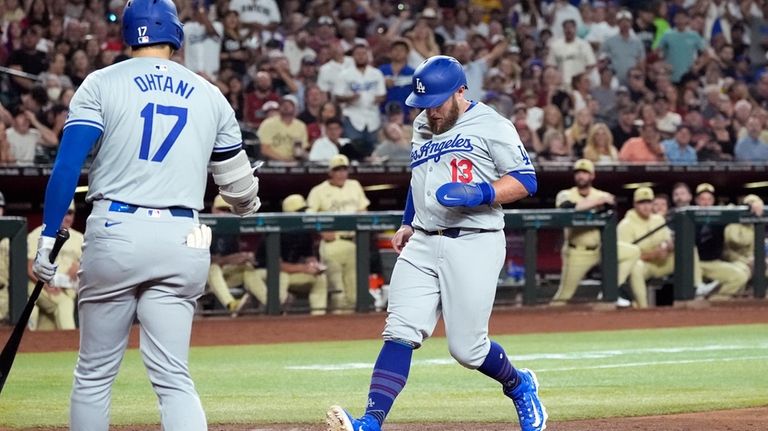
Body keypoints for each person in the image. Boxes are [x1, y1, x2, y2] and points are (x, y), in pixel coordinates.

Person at [30, 0, 261, 429]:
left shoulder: (100, 83)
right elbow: (240, 190)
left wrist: (47, 238)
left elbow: (66, 166)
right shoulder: (210, 94)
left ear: (128, 34)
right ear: (176, 36)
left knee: (94, 375)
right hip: (182, 235)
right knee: (174, 378)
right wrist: (249, 202)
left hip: (117, 229)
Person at [326, 55, 546, 431]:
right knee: (400, 331)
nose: (429, 112)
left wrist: (481, 191)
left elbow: (526, 180)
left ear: (461, 91)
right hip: (424, 242)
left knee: (468, 349)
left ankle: (518, 384)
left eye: (437, 103)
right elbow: (420, 179)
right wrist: (408, 221)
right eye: (423, 104)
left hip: (475, 241)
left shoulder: (493, 125)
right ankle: (371, 422)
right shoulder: (422, 124)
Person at [550, 159, 642, 306]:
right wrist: (597, 202)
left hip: (600, 249)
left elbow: (612, 204)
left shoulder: (600, 194)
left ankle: (609, 290)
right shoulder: (566, 194)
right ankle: (547, 322)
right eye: (578, 173)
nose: (581, 176)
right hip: (577, 252)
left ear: (592, 176)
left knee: (632, 252)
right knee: (563, 296)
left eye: (585, 173)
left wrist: (602, 201)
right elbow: (567, 207)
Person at [307, 154, 370, 313]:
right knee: (338, 292)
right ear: (330, 172)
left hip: (353, 242)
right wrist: (321, 230)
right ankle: (334, 330)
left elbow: (363, 209)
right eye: (337, 170)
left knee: (354, 293)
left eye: (344, 169)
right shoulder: (319, 190)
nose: (341, 173)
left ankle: (349, 333)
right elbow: (308, 215)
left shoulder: (354, 185)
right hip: (332, 244)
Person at [27, 200, 83, 330]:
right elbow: (28, 267)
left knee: (46, 327)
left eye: (69, 213)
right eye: (62, 213)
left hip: (67, 288)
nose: (66, 217)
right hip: (39, 285)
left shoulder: (80, 238)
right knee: (64, 304)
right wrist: (46, 284)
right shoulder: (37, 234)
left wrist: (80, 266)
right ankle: (70, 346)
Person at [617, 188, 674, 308]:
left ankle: (697, 288)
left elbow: (669, 239)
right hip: (644, 265)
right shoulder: (625, 225)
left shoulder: (658, 219)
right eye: (642, 203)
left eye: (648, 202)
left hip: (663, 262)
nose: (646, 207)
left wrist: (667, 247)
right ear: (634, 204)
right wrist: (652, 255)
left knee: (688, 250)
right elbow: (625, 258)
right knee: (636, 267)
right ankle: (643, 308)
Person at [693, 183, 750, 301]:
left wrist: (754, 203)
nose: (706, 203)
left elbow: (738, 209)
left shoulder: (720, 216)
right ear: (697, 201)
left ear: (713, 201)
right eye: (702, 199)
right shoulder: (688, 215)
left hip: (712, 263)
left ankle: (714, 302)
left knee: (739, 277)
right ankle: (700, 288)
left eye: (709, 199)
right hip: (693, 264)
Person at [207, 194, 260, 317]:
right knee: (213, 268)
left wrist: (244, 257)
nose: (224, 214)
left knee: (247, 267)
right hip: (203, 281)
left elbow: (233, 258)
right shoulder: (203, 227)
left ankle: (271, 303)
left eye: (227, 210)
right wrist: (231, 259)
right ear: (213, 210)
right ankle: (232, 305)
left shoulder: (231, 231)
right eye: (221, 210)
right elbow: (210, 261)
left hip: (224, 278)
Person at [278, 194, 328, 315]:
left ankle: (318, 315)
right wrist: (304, 268)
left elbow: (309, 256)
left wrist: (315, 265)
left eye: (304, 211)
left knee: (320, 278)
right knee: (281, 277)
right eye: (300, 211)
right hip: (276, 276)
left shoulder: (304, 232)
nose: (304, 214)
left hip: (295, 274)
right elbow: (277, 266)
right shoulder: (276, 232)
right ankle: (278, 315)